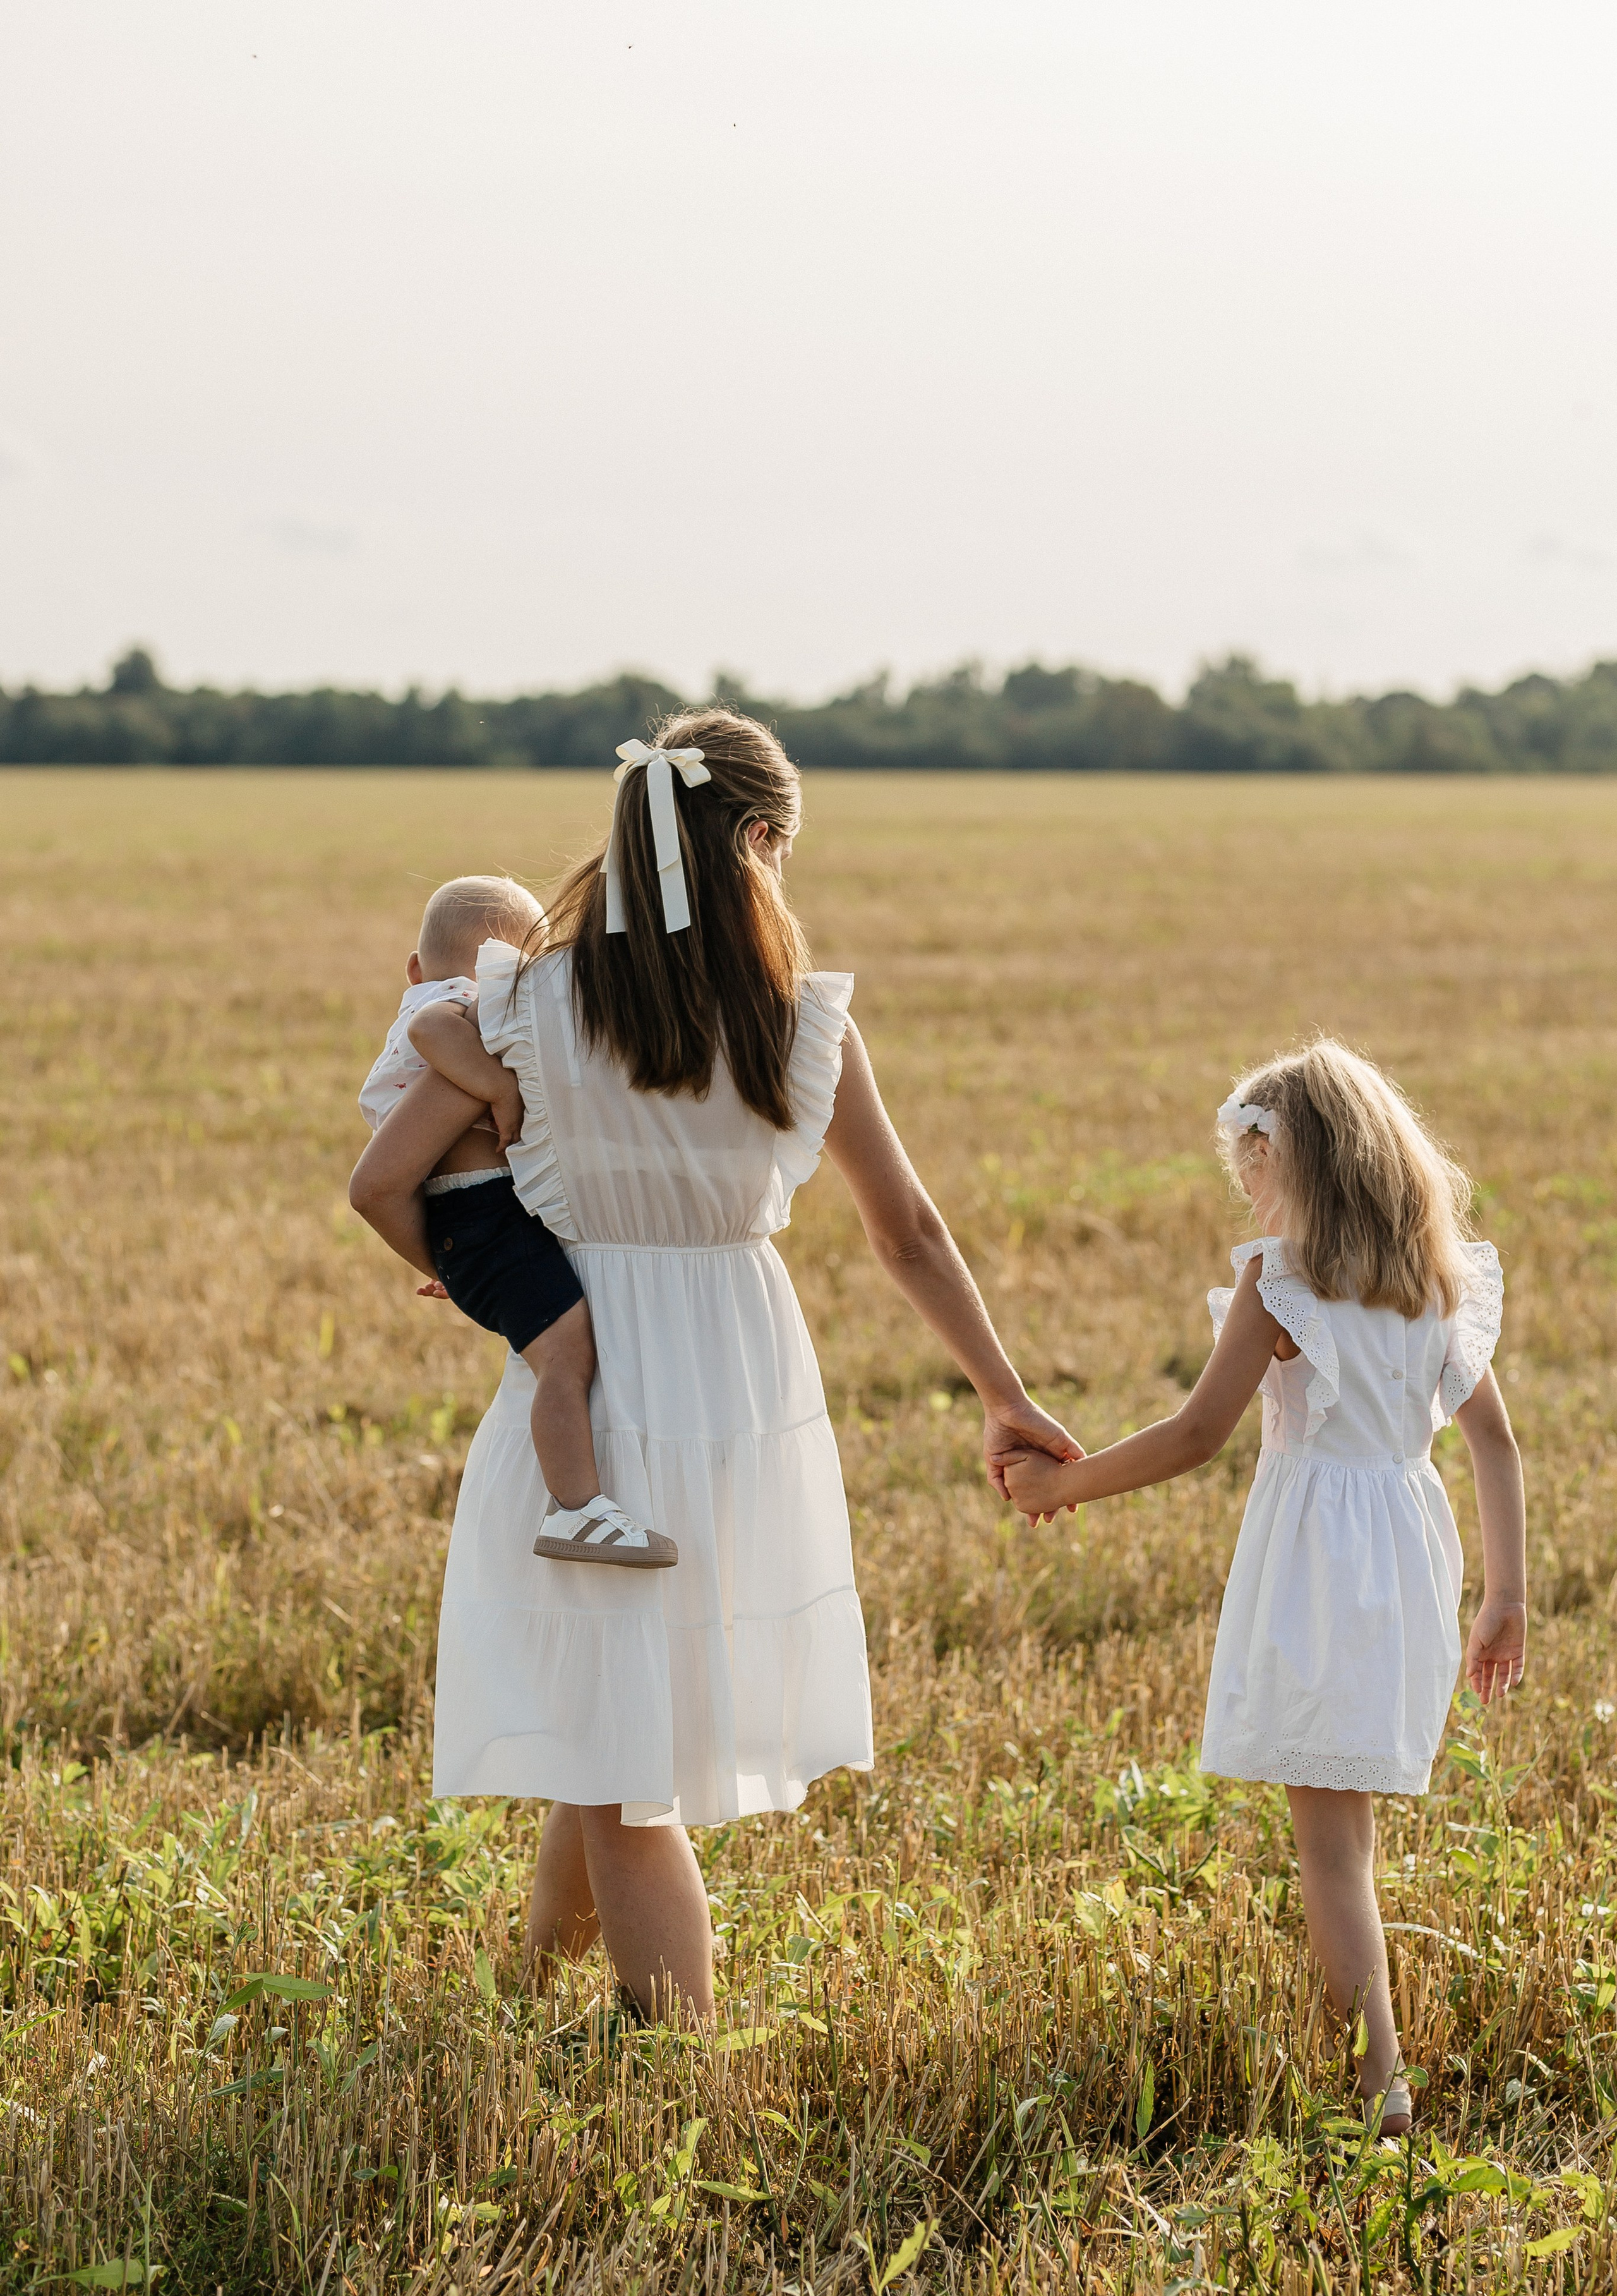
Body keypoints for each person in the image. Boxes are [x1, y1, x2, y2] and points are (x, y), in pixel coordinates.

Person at [349, 710, 1079, 2023]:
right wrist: (1001, 1388)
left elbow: (388, 1178)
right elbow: (905, 1233)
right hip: (738, 1379)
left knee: (624, 1747)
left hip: (596, 1354)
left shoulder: (521, 1003)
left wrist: (486, 1286)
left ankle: (676, 2067)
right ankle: (530, 2002)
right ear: (752, 842)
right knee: (615, 1725)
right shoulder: (804, 1030)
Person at [1001, 1041, 1525, 2136]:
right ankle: (1372, 2069)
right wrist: (1501, 1597)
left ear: (1306, 1163)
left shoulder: (1283, 1280)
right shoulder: (1436, 1280)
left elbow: (1198, 1432)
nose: (1240, 1177)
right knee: (1350, 1834)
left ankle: (1381, 2094)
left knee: (1331, 1850)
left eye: (1253, 1157)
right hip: (1410, 1556)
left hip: (1322, 1570)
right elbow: (1495, 1444)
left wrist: (1066, 1484)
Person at [358, 878, 666, 1567]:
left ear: (413, 966)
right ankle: (577, 1508)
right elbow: (428, 1029)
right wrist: (497, 1086)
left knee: (560, 1349)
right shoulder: (466, 1006)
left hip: (468, 1220)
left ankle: (576, 1502)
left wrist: (451, 1263)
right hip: (482, 1210)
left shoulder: (427, 989)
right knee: (567, 1355)